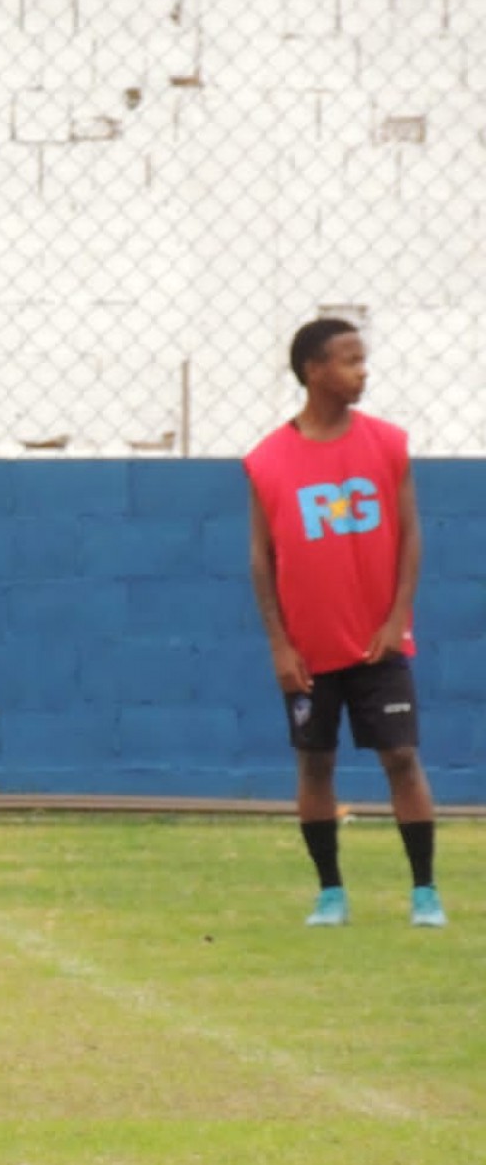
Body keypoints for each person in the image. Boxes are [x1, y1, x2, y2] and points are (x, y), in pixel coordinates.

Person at [245, 318, 445, 929]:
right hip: (309, 652)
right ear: (314, 371)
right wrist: (281, 645)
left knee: (402, 758)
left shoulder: (387, 444)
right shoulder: (266, 461)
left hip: (376, 644)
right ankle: (331, 892)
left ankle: (424, 892)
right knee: (315, 764)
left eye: (364, 359)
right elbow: (263, 558)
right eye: (350, 360)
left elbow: (410, 536)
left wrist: (395, 620)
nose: (363, 371)